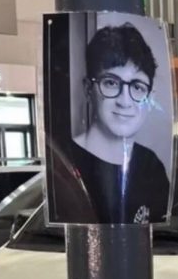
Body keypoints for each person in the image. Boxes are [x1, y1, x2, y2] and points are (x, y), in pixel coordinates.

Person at [52, 23, 170, 224]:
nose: (125, 101)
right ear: (88, 89)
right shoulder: (64, 164)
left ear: (150, 98)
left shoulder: (151, 166)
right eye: (111, 83)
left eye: (138, 87)